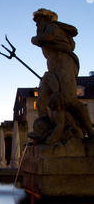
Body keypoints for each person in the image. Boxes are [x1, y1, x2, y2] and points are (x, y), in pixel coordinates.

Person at [31, 8, 94, 140]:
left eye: (39, 21)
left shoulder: (52, 27)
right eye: (36, 22)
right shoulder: (46, 30)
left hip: (64, 65)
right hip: (52, 69)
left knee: (70, 100)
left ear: (47, 19)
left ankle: (90, 131)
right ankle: (44, 130)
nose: (37, 24)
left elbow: (43, 38)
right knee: (42, 99)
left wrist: (34, 39)